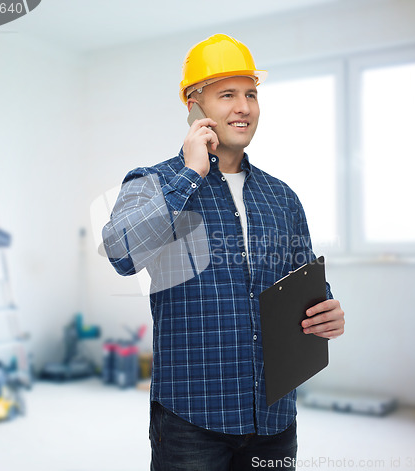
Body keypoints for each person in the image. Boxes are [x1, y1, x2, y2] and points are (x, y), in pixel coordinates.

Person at [102, 33, 345, 471]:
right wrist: (190, 173)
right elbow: (121, 253)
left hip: (272, 418)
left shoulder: (281, 197)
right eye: (227, 94)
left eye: (251, 94)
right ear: (194, 106)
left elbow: (303, 283)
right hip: (191, 421)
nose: (244, 107)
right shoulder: (152, 183)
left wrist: (325, 309)